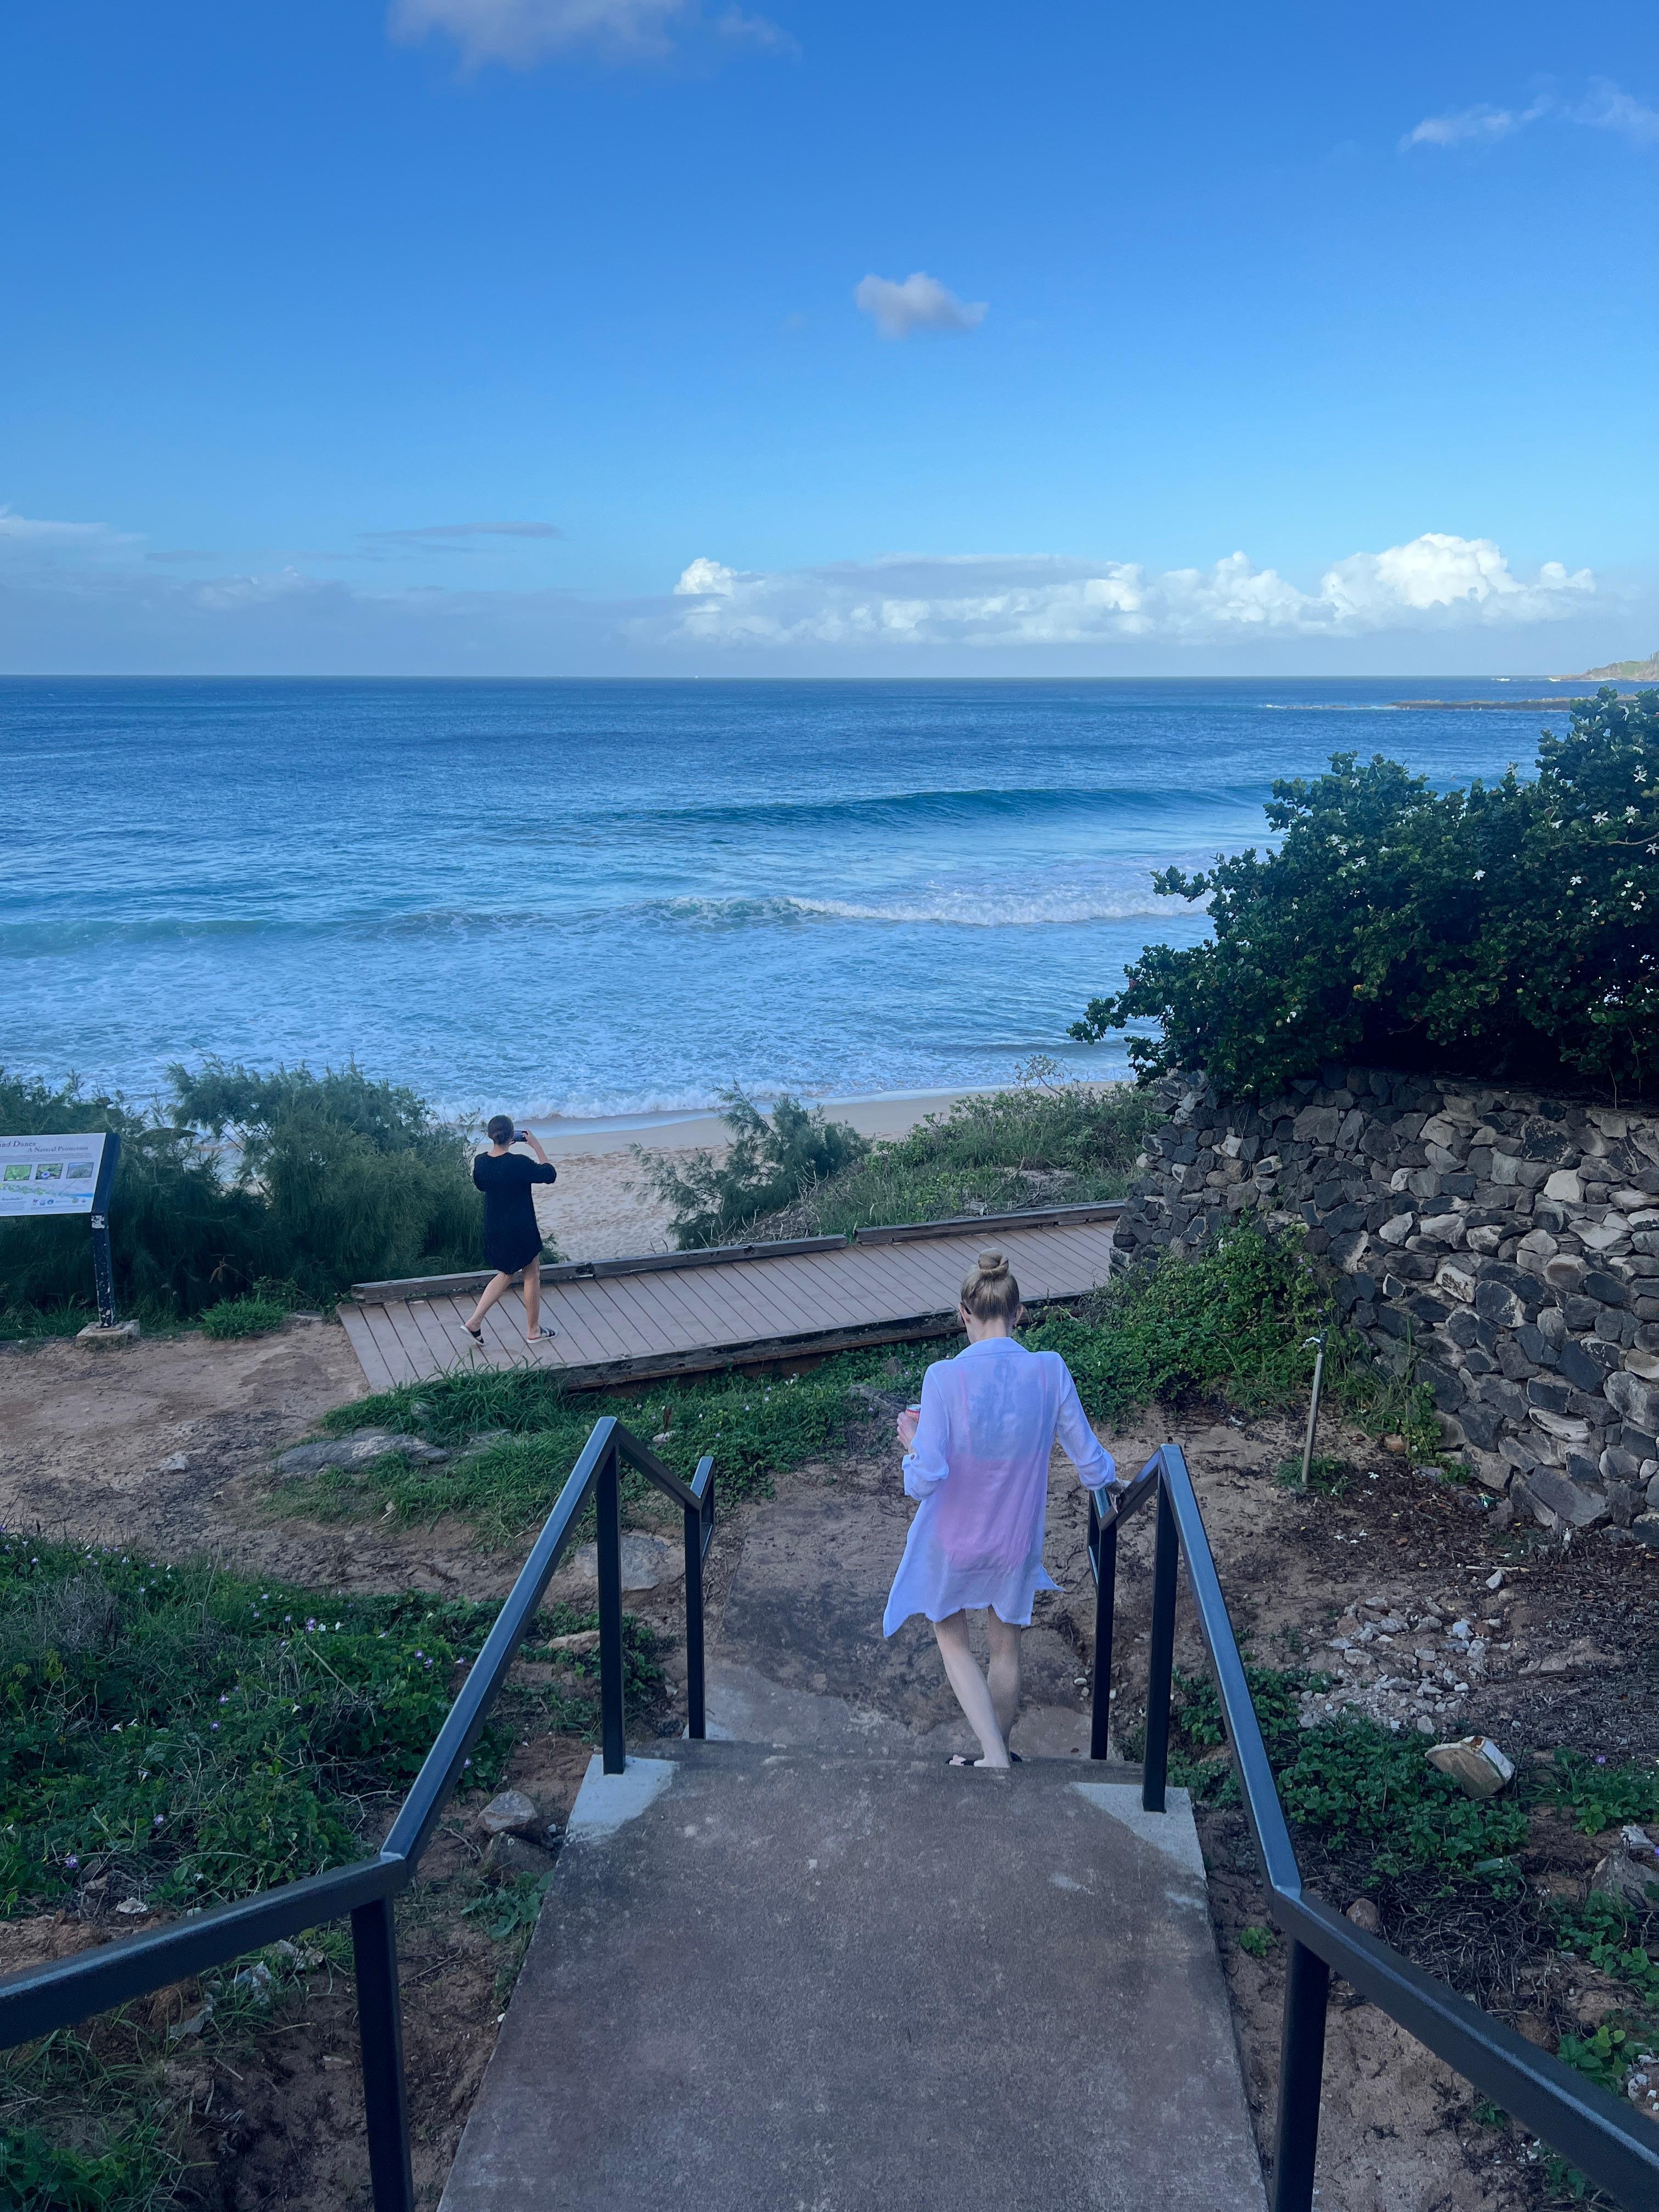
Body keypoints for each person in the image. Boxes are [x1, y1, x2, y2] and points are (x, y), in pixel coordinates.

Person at [883, 1250, 1120, 1769]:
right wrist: (1119, 1480)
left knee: (952, 1640)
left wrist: (913, 1442)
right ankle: (999, 1753)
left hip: (954, 1539)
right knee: (1006, 1649)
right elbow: (1093, 1467)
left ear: (963, 1314)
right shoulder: (1050, 1370)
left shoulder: (943, 1377)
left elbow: (925, 1479)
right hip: (1014, 1539)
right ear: (1019, 1313)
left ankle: (993, 1757)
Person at [465, 1117, 558, 1346]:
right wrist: (536, 1145)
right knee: (531, 1274)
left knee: (506, 1273)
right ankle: (533, 1331)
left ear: (491, 1136)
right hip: (521, 1228)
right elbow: (550, 1175)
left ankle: (475, 1322)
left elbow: (481, 1185)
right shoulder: (519, 1164)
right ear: (511, 1137)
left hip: (495, 1227)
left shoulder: (481, 1162)